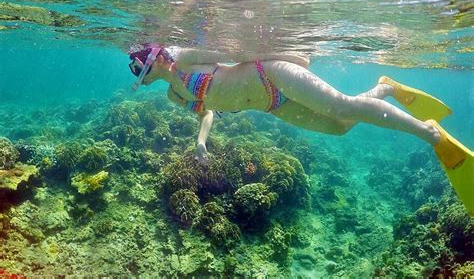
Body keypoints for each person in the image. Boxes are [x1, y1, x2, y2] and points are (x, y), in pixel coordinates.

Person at [128, 43, 473, 215]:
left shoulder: (185, 58)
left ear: (154, 59)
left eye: (137, 65)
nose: (135, 72)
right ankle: (383, 88)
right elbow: (206, 114)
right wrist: (201, 143)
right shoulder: (175, 95)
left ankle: (428, 132)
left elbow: (236, 51)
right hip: (273, 104)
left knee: (342, 106)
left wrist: (292, 55)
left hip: (272, 73)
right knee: (340, 128)